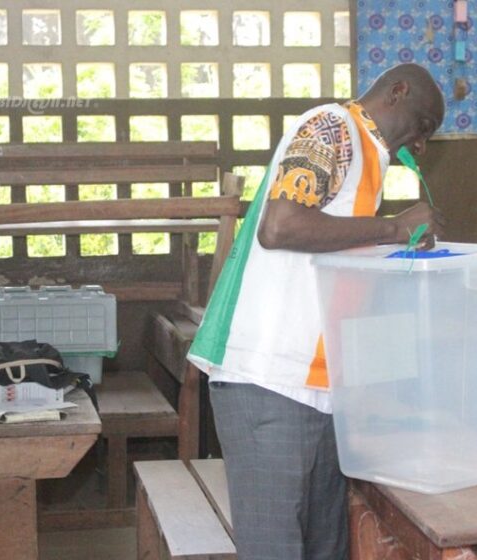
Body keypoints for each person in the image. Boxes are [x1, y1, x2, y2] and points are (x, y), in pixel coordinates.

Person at [187, 62, 445, 560]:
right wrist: (394, 228)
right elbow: (279, 227)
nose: (422, 144)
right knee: (277, 549)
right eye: (424, 125)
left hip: (322, 389)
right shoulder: (331, 127)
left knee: (326, 548)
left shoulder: (370, 157)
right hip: (269, 382)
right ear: (396, 92)